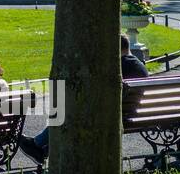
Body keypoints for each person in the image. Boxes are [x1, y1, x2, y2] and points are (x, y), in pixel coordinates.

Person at [19, 37, 144, 167]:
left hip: (110, 117)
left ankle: (37, 145)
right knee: (69, 110)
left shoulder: (118, 68)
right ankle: (42, 148)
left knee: (68, 112)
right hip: (131, 116)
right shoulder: (139, 66)